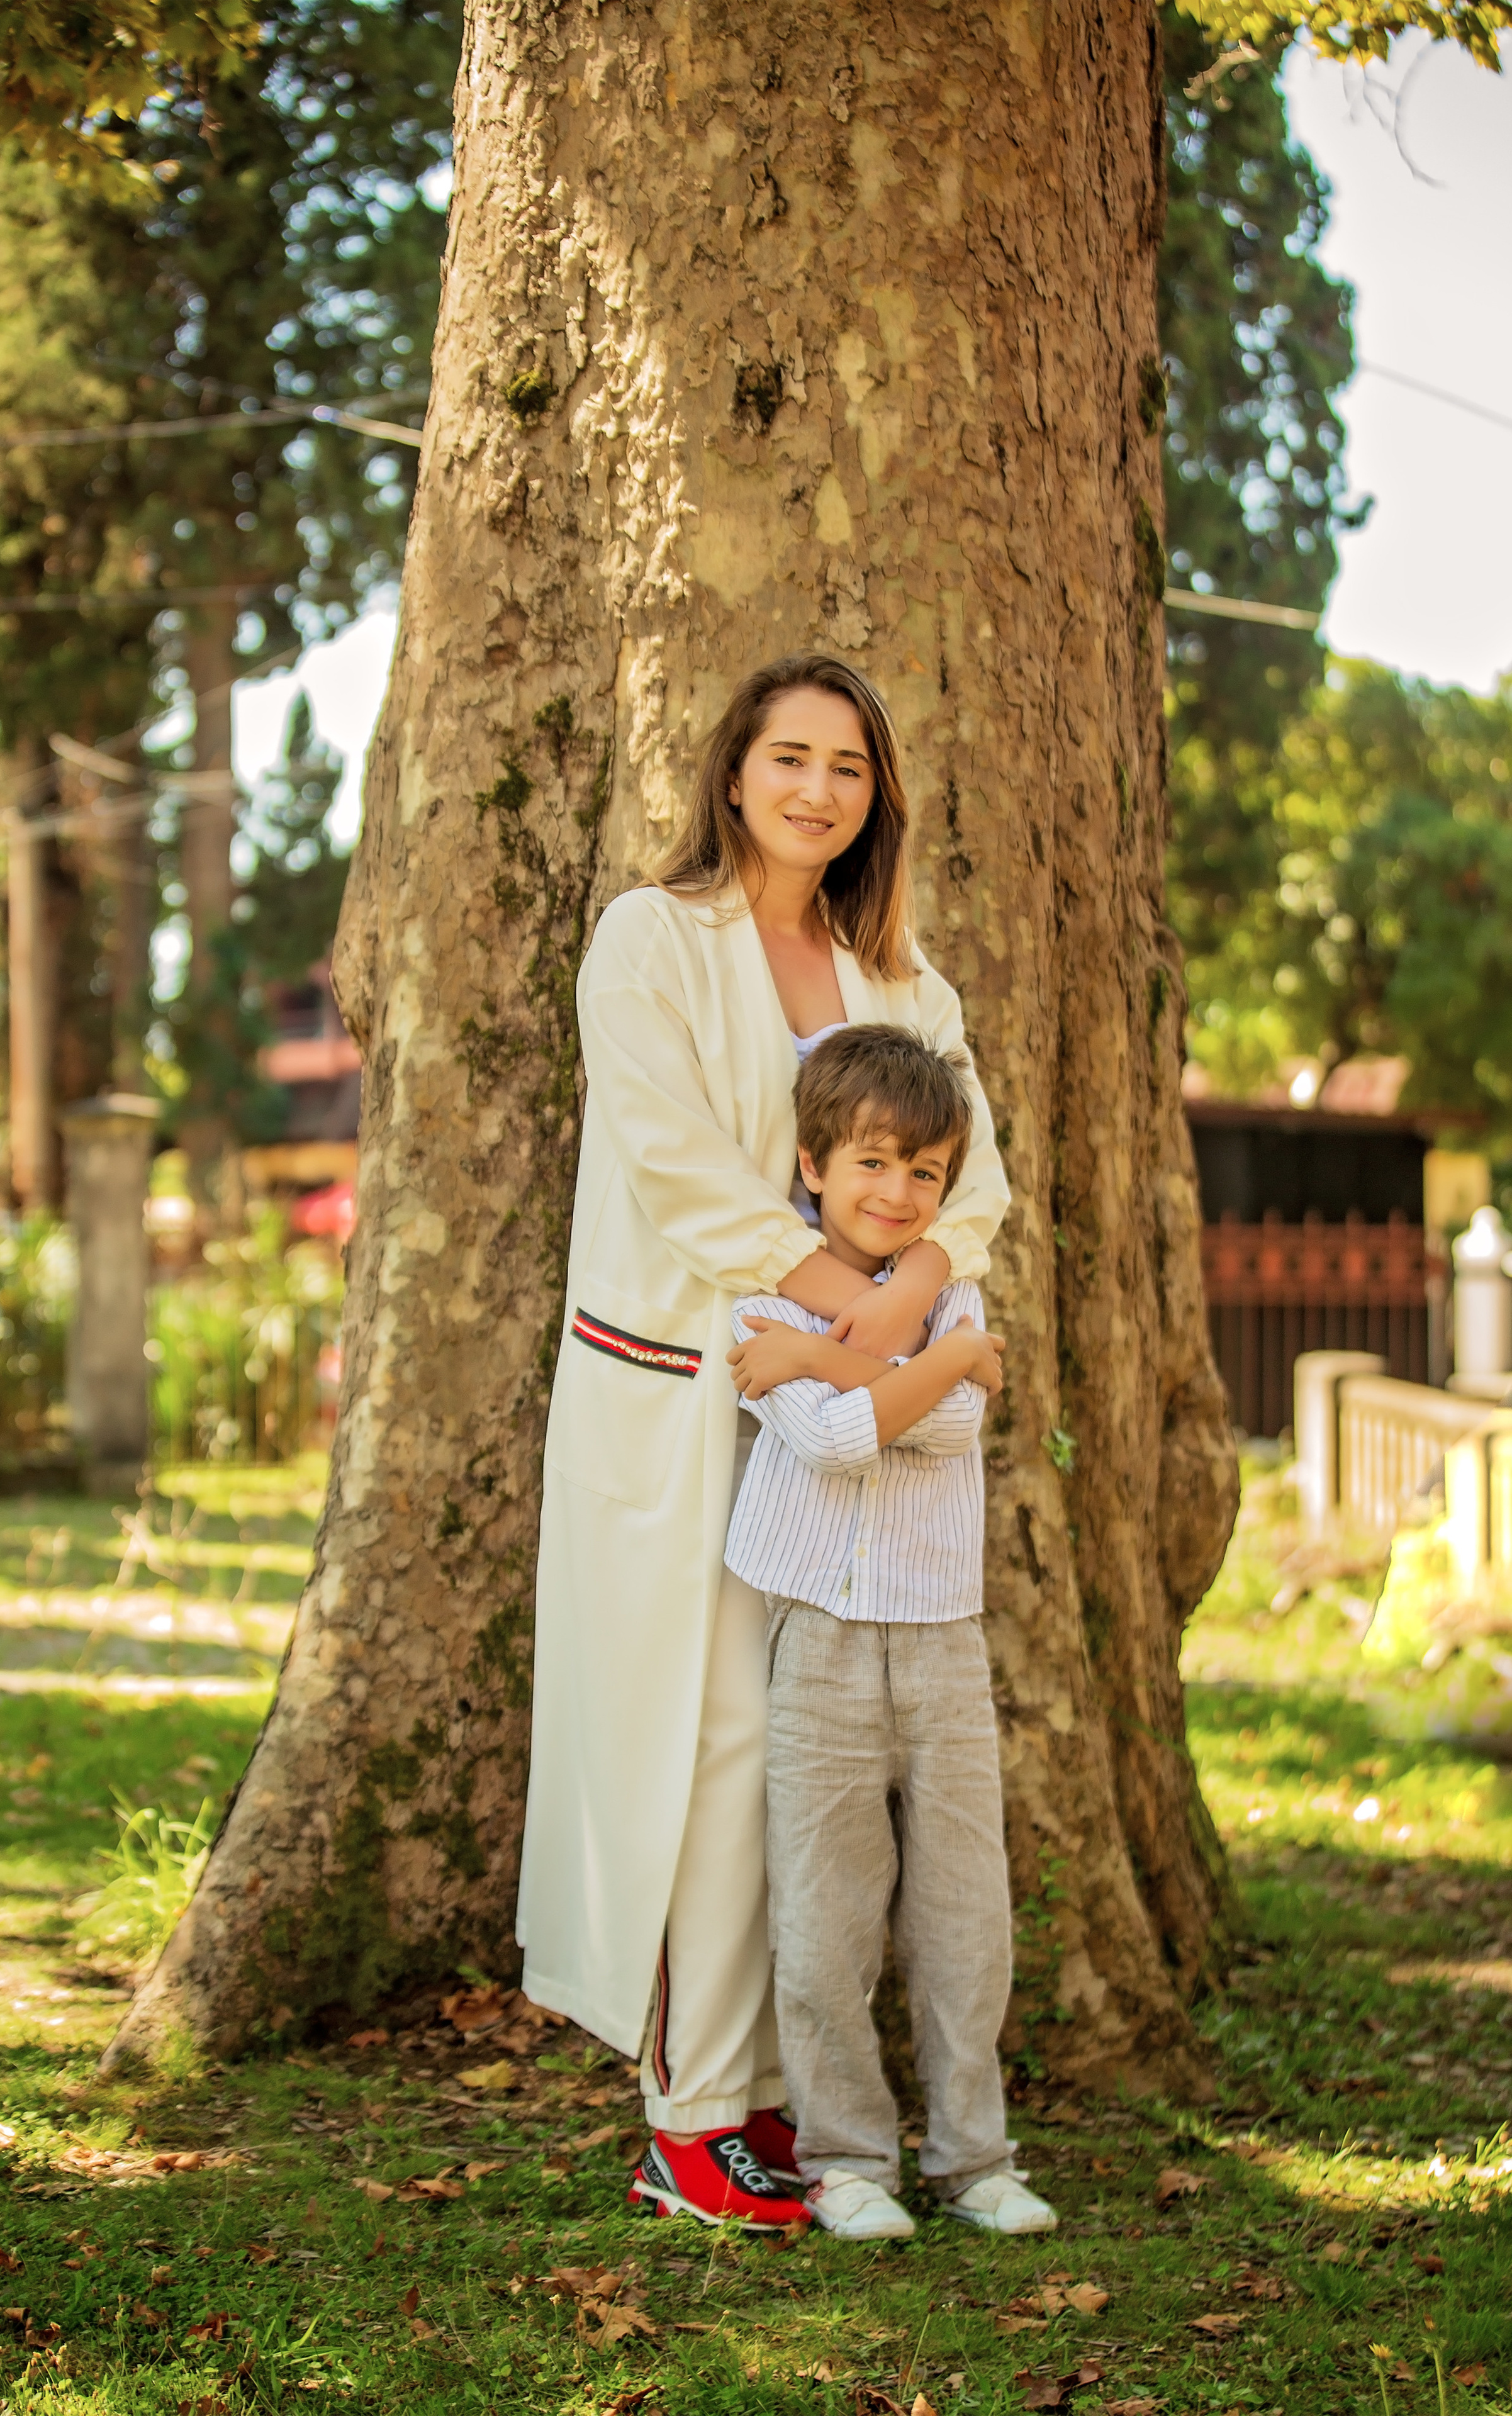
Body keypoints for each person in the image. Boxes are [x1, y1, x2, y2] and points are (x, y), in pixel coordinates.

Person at [515, 654, 1011, 2229]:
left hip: (846, 1421)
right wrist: (845, 1296)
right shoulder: (647, 941)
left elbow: (974, 1182)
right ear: (732, 773)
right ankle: (694, 2114)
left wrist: (902, 1290)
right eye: (787, 757)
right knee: (712, 1745)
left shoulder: (907, 986)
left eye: (847, 767)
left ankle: (804, 2097)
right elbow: (672, 1165)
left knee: (817, 1769)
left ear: (877, 799)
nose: (814, 789)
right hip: (682, 1398)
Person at [722, 1024, 1057, 2240]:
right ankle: (847, 2158)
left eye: (925, 1172)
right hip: (817, 1639)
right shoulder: (762, 1298)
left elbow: (946, 1434)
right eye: (872, 1163)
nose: (896, 1193)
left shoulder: (952, 1291)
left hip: (942, 1639)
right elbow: (833, 1441)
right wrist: (950, 1361)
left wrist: (826, 1363)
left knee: (967, 1912)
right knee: (824, 1915)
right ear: (813, 1163)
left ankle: (975, 2159)